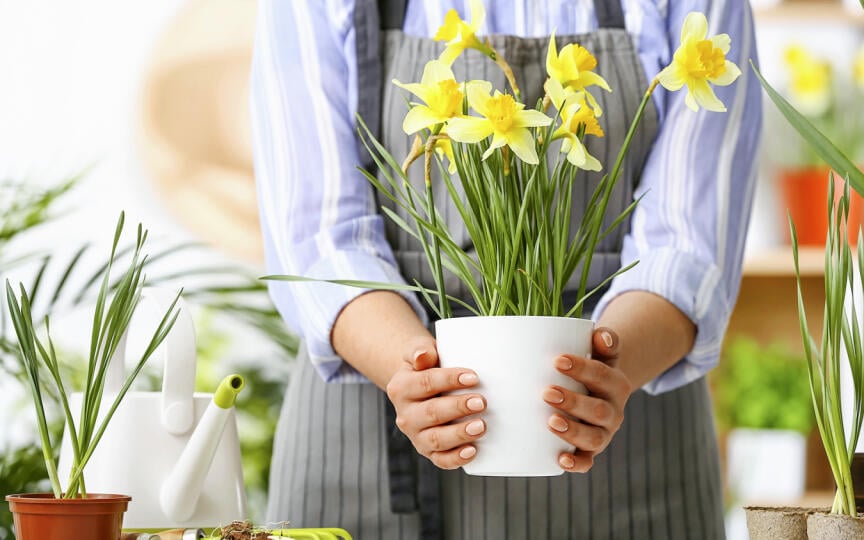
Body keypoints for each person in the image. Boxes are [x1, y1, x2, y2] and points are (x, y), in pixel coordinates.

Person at [250, 0, 760, 538]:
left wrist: (609, 374)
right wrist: (416, 375)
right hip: (367, 455)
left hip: (628, 455)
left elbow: (690, 243)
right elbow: (317, 235)